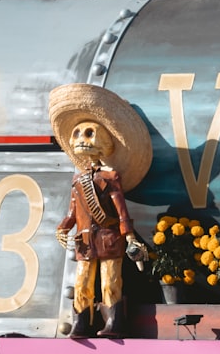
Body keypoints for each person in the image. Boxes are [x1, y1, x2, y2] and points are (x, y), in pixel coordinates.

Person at [49, 83, 152, 338]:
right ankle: (81, 322)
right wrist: (63, 227)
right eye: (78, 134)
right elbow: (74, 211)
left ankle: (113, 322)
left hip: (108, 238)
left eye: (90, 134)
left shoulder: (111, 176)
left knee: (110, 281)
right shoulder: (78, 180)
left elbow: (120, 211)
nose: (82, 140)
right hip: (85, 238)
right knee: (82, 281)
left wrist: (129, 236)